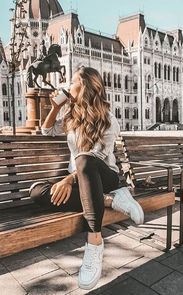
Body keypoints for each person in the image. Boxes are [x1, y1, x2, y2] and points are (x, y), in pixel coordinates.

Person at [29, 66, 144, 290]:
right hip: (83, 181)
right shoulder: (71, 115)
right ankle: (112, 200)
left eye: (72, 81)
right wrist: (55, 108)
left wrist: (68, 180)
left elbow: (93, 158)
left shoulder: (108, 120)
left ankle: (94, 244)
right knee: (37, 192)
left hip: (106, 176)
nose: (68, 85)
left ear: (85, 88)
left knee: (83, 160)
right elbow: (46, 130)